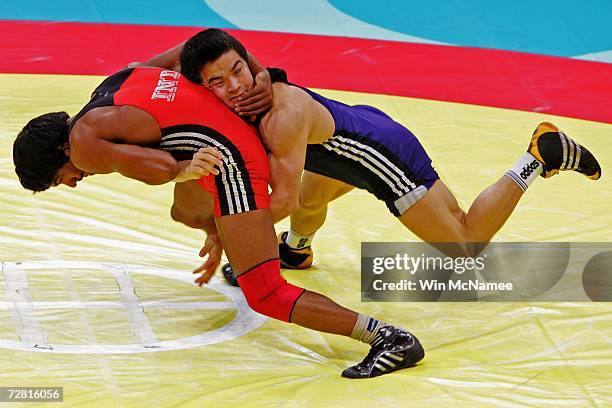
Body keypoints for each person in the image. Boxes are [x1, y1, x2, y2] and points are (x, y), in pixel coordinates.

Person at [13, 62, 424, 379]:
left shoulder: (83, 147)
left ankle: (386, 338)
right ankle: (244, 234)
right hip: (227, 134)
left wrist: (185, 168)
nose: (70, 183)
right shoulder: (111, 86)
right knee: (186, 210)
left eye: (57, 180)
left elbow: (157, 167)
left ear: (58, 154)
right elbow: (179, 59)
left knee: (263, 291)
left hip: (230, 159)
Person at [169, 29, 601, 284]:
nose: (236, 86)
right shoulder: (244, 85)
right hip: (340, 141)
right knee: (310, 199)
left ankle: (538, 156)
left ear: (248, 64)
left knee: (465, 243)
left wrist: (227, 235)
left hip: (383, 156)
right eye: (219, 82)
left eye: (239, 71)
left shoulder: (279, 116)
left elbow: (278, 201)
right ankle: (296, 251)